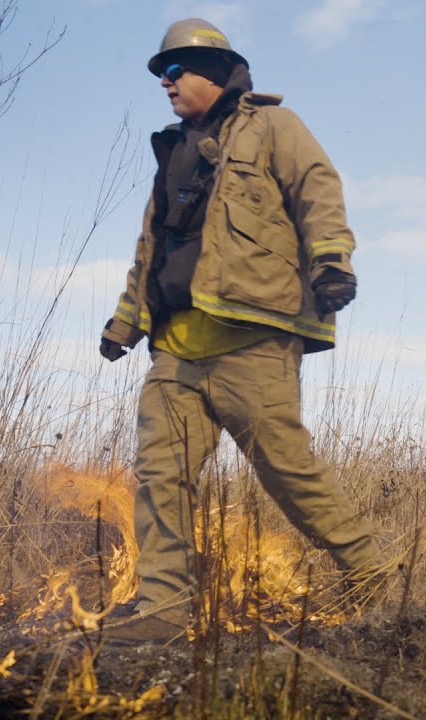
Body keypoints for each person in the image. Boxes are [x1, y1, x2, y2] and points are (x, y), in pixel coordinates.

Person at [98, 18, 380, 644]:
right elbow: (152, 248)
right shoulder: (174, 152)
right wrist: (125, 320)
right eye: (161, 74)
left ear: (216, 71)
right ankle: (164, 608)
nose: (166, 83)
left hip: (254, 336)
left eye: (175, 71)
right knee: (159, 477)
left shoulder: (275, 126)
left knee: (286, 470)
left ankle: (374, 576)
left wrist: (332, 260)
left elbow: (318, 189)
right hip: (176, 349)